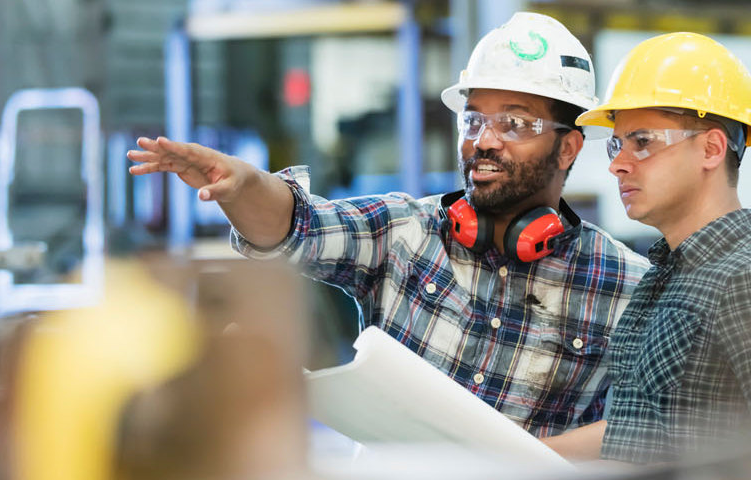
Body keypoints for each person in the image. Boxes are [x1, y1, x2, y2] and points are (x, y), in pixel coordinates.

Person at [126, 12, 649, 437]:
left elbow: (635, 437)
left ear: (570, 145)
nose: (484, 140)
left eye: (514, 123)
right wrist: (241, 185)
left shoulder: (626, 286)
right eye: (474, 119)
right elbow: (296, 225)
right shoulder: (405, 231)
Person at [540, 32, 751, 463]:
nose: (618, 163)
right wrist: (510, 455)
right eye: (618, 144)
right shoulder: (665, 277)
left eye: (643, 142)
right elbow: (637, 432)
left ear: (711, 149)